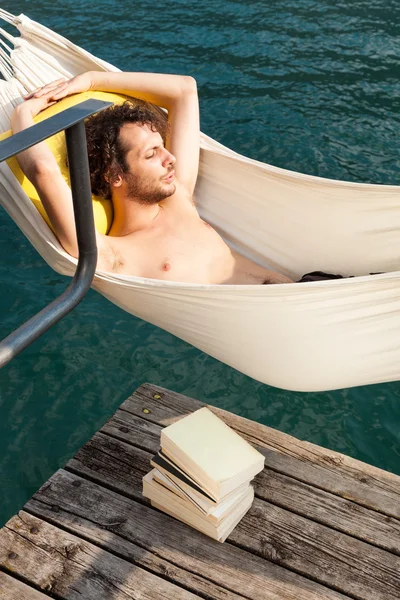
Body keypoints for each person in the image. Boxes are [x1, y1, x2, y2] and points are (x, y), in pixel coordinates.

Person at [11, 71, 294, 284]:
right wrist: (23, 111)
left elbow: (184, 91)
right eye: (152, 154)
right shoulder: (111, 256)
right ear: (114, 174)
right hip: (278, 325)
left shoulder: (178, 199)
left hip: (304, 293)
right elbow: (43, 172)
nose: (170, 158)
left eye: (163, 147)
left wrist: (90, 80)